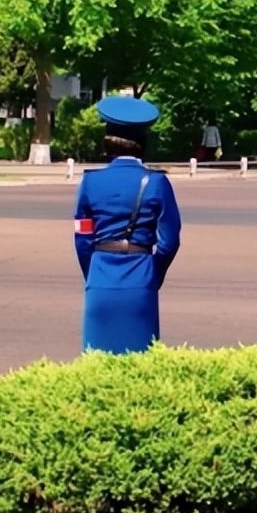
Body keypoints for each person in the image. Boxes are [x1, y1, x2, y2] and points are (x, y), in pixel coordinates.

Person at [74, 96, 182, 354]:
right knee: (140, 362)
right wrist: (153, 273)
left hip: (100, 275)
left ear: (107, 142)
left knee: (97, 360)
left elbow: (82, 238)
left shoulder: (90, 182)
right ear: (143, 144)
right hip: (140, 275)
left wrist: (94, 273)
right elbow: (169, 241)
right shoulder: (157, 182)